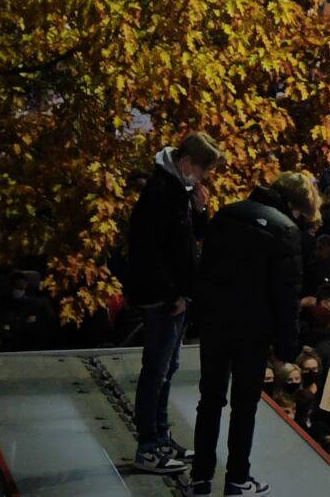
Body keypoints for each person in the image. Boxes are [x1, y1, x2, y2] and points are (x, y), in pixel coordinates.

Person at [190, 171, 317, 497]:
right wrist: (288, 347)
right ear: (294, 204)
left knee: (210, 400)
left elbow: (204, 269)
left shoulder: (227, 213)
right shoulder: (286, 230)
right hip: (253, 331)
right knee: (244, 407)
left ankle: (200, 478)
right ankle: (236, 480)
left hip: (216, 323)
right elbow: (286, 295)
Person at [126, 132, 221, 475]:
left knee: (168, 368)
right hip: (163, 299)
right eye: (202, 170)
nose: (203, 179)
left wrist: (201, 209)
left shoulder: (178, 191)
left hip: (176, 296)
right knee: (156, 369)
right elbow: (149, 251)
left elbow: (192, 237)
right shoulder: (160, 192)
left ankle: (161, 436)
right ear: (186, 163)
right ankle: (148, 444)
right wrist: (172, 294)